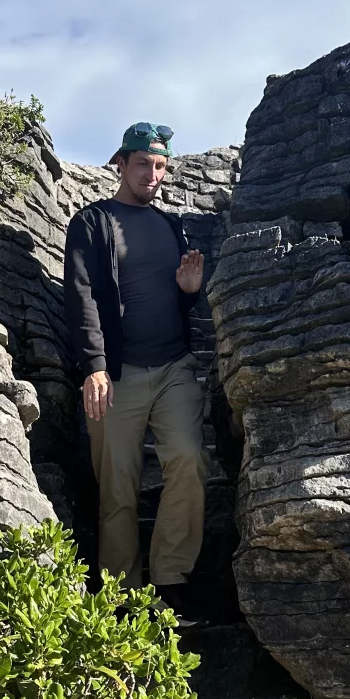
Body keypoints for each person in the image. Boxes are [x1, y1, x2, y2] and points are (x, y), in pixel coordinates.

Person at [63, 121, 207, 612]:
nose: (153, 174)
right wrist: (94, 366)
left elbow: (177, 301)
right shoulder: (91, 222)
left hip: (174, 367)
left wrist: (189, 291)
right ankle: (121, 600)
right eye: (143, 163)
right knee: (117, 485)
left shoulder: (171, 225)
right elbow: (81, 297)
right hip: (116, 373)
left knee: (187, 459)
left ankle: (172, 580)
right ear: (121, 164)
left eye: (161, 166)